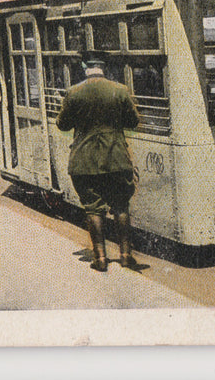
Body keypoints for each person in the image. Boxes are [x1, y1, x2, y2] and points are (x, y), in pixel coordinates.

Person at [56, 58, 142, 272]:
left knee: (93, 209)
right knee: (121, 206)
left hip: (84, 162)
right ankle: (125, 255)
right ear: (104, 69)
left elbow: (62, 124)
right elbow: (133, 122)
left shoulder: (73, 92)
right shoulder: (120, 90)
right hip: (116, 158)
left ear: (86, 69)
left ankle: (101, 258)